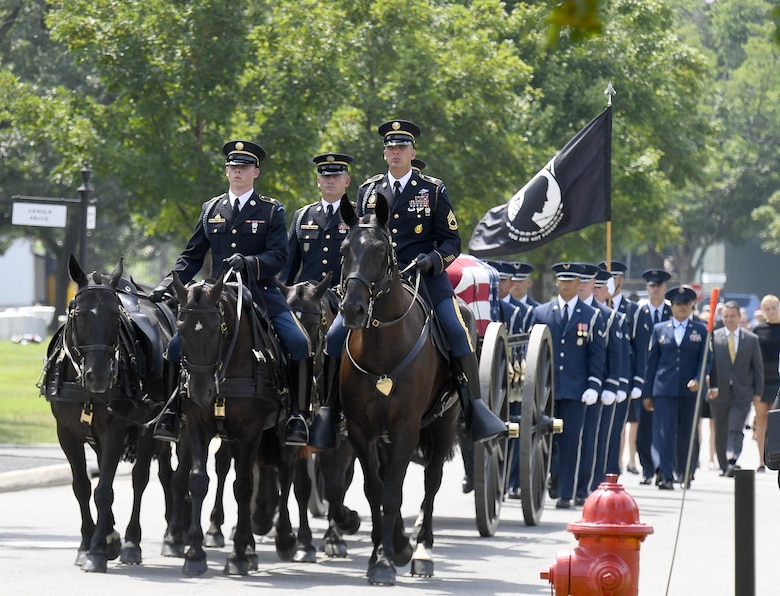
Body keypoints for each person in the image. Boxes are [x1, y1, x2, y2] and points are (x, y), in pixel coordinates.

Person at [320, 119, 506, 451]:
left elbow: (452, 243)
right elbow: (359, 240)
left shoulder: (432, 189)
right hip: (376, 283)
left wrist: (432, 260)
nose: (395, 152)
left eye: (401, 147)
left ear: (412, 152)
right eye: (390, 147)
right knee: (335, 335)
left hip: (424, 279)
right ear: (385, 153)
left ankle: (473, 406)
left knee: (456, 329)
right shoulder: (368, 190)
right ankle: (329, 411)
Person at [150, 140, 313, 445]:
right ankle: (171, 411)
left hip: (261, 293)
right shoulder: (211, 209)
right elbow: (192, 255)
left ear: (256, 172)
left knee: (298, 342)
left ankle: (298, 415)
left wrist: (250, 262)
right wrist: (167, 283)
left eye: (244, 168)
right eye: (233, 167)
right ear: (227, 172)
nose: (238, 172)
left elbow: (279, 255)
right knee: (174, 348)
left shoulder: (270, 209)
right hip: (216, 296)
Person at [529, 262, 605, 508]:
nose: (565, 285)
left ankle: (565, 492)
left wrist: (594, 384)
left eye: (570, 281)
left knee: (571, 441)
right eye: (561, 281)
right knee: (546, 440)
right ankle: (553, 477)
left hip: (575, 389)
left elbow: (596, 354)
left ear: (577, 284)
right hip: (547, 390)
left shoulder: (591, 315)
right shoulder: (541, 313)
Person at [643, 285, 710, 490]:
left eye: (686, 304)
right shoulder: (660, 329)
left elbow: (705, 359)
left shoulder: (700, 330)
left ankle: (686, 471)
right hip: (664, 389)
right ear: (671, 307)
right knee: (665, 432)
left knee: (687, 433)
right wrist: (647, 392)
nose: (682, 308)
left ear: (692, 306)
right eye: (678, 304)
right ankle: (665, 473)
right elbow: (651, 362)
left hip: (690, 391)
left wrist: (698, 378)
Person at [574, 264, 621, 505]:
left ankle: (587, 485)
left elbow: (615, 354)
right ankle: (565, 482)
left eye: (586, 280)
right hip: (570, 385)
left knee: (592, 438)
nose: (581, 284)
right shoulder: (568, 311)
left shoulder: (607, 315)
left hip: (596, 388)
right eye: (577, 280)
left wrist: (612, 386)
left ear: (594, 283)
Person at [707, 301, 764, 476]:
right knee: (721, 428)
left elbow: (757, 368)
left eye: (732, 316)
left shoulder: (751, 340)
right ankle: (724, 464)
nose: (729, 319)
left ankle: (733, 457)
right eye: (726, 316)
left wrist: (757, 392)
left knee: (736, 425)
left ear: (739, 317)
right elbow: (708, 365)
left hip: (742, 391)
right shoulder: (714, 337)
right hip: (719, 391)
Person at [597, 260, 640, 479]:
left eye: (614, 277)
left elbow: (635, 350)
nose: (611, 282)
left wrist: (633, 382)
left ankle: (611, 470)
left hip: (620, 378)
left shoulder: (630, 310)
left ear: (621, 280)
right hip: (596, 377)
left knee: (614, 430)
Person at [633, 268, 672, 485]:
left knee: (664, 428)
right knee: (644, 431)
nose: (654, 289)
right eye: (651, 285)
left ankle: (662, 467)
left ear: (664, 288)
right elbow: (634, 347)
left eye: (658, 285)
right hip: (643, 378)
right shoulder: (640, 313)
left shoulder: (670, 311)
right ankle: (647, 468)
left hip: (664, 379)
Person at [751, 294, 780, 472]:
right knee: (761, 419)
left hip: (779, 381)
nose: (771, 311)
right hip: (762, 379)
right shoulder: (758, 330)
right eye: (767, 309)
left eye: (774, 307)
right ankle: (761, 460)